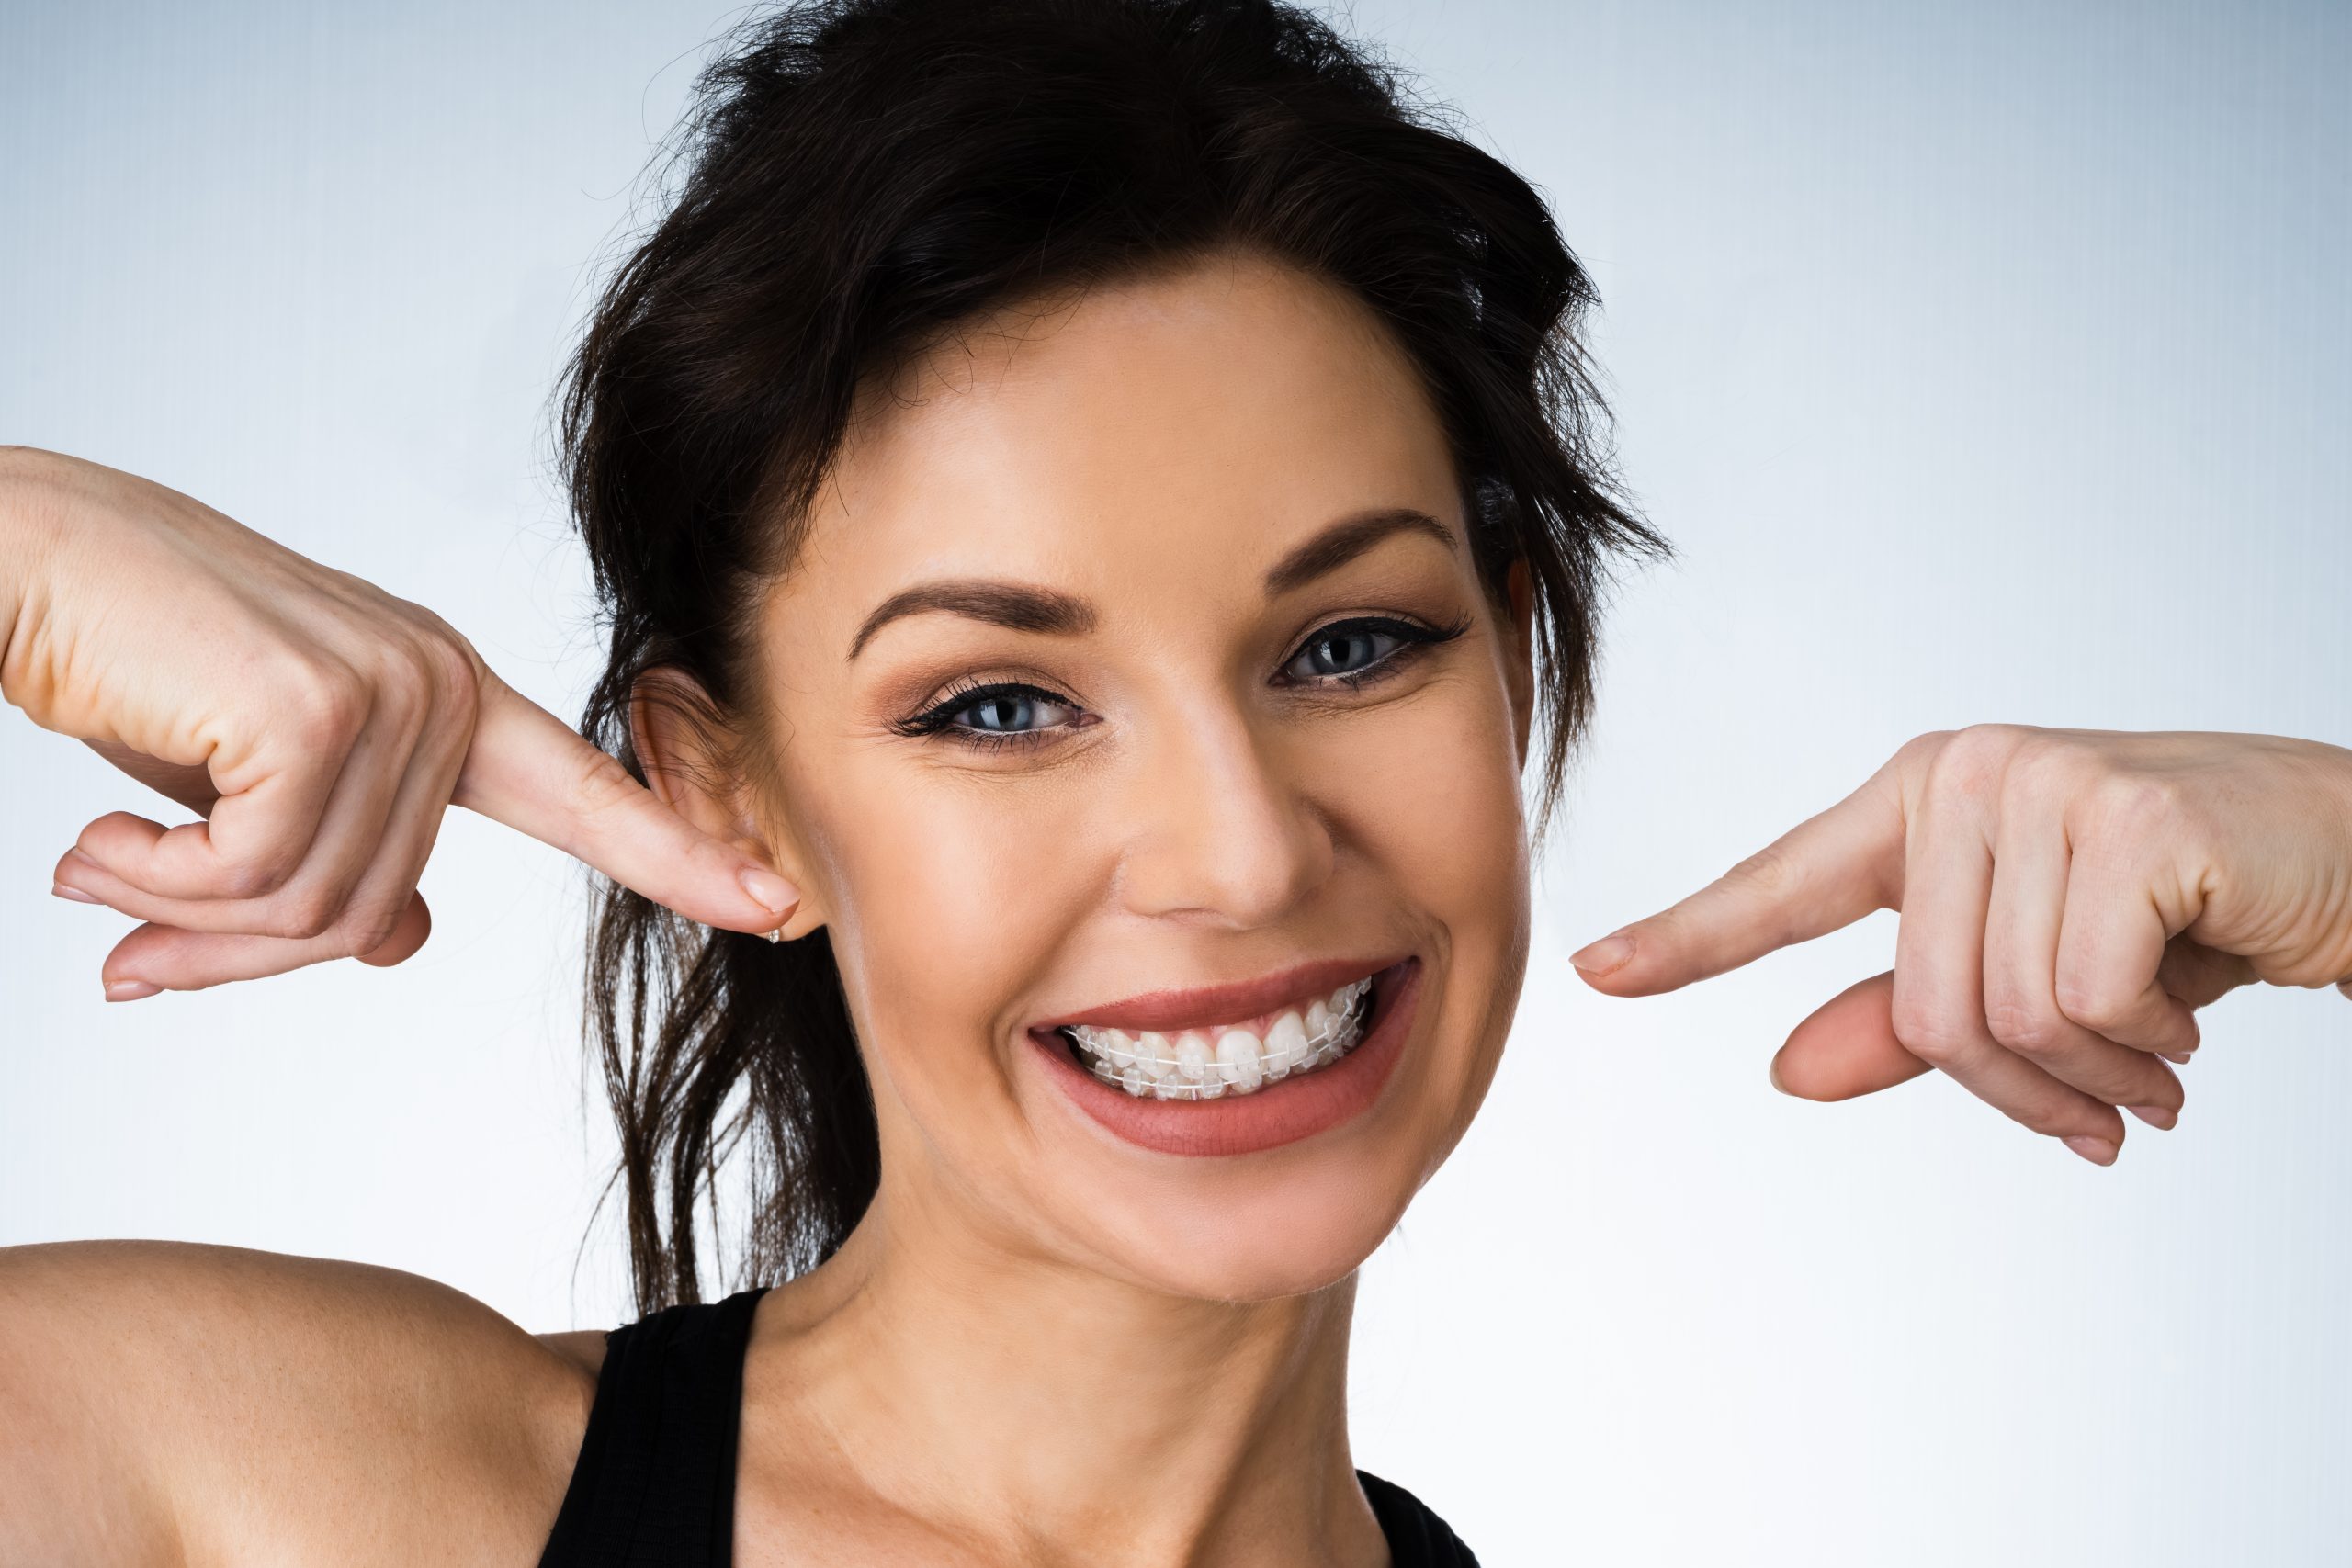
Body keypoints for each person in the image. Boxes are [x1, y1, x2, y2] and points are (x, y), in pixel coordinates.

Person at [4, 0, 2348, 1562]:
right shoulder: (237, 1484)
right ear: (731, 793)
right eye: (996, 703)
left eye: (1352, 644)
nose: (1241, 852)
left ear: (1509, 661)